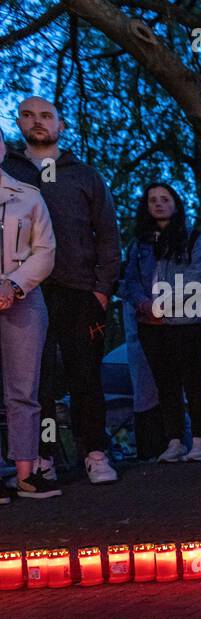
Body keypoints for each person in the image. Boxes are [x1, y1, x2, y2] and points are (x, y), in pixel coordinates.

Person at [1, 96, 121, 486]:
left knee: (85, 374)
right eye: (29, 115)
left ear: (61, 125)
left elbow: (107, 236)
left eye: (47, 116)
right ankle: (44, 455)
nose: (38, 122)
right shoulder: (8, 173)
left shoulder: (84, 175)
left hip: (78, 289)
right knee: (38, 381)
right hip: (25, 292)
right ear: (18, 123)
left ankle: (94, 451)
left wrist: (102, 291)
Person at [119, 182, 201, 463]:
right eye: (153, 200)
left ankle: (200, 440)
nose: (159, 204)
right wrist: (144, 305)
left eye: (165, 199)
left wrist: (164, 304)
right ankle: (174, 441)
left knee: (194, 382)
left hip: (189, 323)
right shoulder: (139, 245)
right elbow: (130, 281)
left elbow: (197, 277)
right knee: (166, 384)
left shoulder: (195, 239)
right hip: (151, 325)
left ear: (176, 203)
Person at [0, 135, 57, 500]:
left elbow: (45, 250)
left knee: (24, 389)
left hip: (23, 298)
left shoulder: (29, 195)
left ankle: (26, 472)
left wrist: (13, 284)